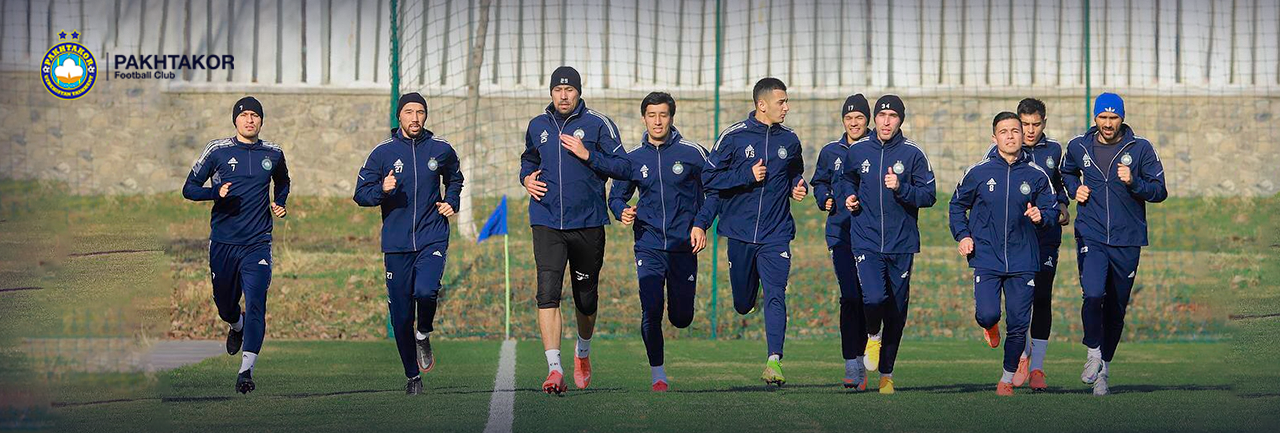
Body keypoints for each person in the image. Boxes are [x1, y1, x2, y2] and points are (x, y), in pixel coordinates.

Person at [519, 66, 630, 394]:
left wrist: (588, 154)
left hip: (588, 223)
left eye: (569, 90)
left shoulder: (599, 124)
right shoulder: (537, 125)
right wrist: (525, 178)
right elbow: (528, 159)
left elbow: (624, 167)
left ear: (579, 92)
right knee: (547, 292)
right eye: (558, 90)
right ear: (551, 92)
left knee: (586, 298)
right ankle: (554, 369)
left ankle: (582, 351)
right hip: (546, 221)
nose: (563, 95)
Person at [353, 92, 465, 395]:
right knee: (401, 317)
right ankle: (413, 376)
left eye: (420, 112)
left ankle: (424, 333)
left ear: (425, 115)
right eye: (409, 112)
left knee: (426, 291)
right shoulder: (382, 153)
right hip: (397, 244)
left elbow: (455, 179)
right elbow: (360, 194)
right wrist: (382, 190)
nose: (415, 118)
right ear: (399, 116)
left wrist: (451, 201)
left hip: (432, 236)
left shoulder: (441, 149)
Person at [607, 92, 719, 392]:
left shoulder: (693, 153)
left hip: (684, 246)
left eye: (663, 115)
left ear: (671, 117)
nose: (657, 121)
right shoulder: (632, 159)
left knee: (681, 318)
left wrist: (701, 223)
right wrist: (621, 210)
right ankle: (658, 374)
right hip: (649, 244)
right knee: (651, 308)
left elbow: (715, 192)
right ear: (644, 118)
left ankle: (679, 313)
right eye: (652, 115)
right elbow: (616, 196)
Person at [1060, 92, 1167, 396]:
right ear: (1095, 117)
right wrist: (1075, 188)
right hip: (1090, 233)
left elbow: (1160, 191)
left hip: (1127, 238)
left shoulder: (1141, 148)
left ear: (1122, 118)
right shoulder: (1078, 146)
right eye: (1103, 117)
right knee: (1094, 293)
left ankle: (1103, 371)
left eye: (1114, 117)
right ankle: (1093, 354)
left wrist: (1134, 182)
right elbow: (1066, 172)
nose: (1108, 124)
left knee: (1116, 308)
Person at [182, 96, 290, 394]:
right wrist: (215, 192)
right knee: (225, 305)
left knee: (256, 302)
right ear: (235, 120)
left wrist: (279, 201)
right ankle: (235, 325)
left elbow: (283, 181)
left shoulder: (274, 153)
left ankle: (246, 371)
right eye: (244, 115)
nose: (250, 120)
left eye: (255, 115)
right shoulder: (217, 150)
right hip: (223, 243)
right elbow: (189, 189)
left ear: (261, 120)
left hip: (258, 243)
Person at [703, 77, 807, 386]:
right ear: (762, 105)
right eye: (781, 102)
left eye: (786, 101)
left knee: (776, 293)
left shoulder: (790, 140)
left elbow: (795, 172)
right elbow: (709, 178)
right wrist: (746, 175)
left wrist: (797, 185)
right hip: (740, 233)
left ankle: (774, 361)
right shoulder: (733, 137)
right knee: (743, 303)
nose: (786, 107)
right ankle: (747, 296)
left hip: (776, 233)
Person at [949, 111, 1058, 396]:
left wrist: (1042, 216)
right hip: (986, 256)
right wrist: (963, 236)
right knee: (987, 314)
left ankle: (1007, 379)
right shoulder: (978, 173)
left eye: (1015, 131)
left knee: (1019, 324)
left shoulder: (1037, 175)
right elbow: (956, 206)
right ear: (994, 137)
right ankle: (990, 326)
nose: (1010, 136)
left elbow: (1052, 210)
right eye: (1004, 132)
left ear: (1022, 136)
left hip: (1024, 259)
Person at [838, 94, 936, 394]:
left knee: (895, 311)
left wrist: (901, 188)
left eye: (892, 116)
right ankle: (872, 335)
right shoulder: (859, 151)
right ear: (875, 119)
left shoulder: (913, 154)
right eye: (882, 115)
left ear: (900, 120)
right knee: (873, 298)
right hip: (865, 240)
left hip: (901, 244)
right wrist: (849, 196)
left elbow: (929, 195)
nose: (886, 121)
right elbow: (846, 179)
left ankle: (887, 374)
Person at [809, 93, 871, 391]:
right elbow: (819, 182)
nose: (854, 123)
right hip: (840, 234)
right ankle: (852, 362)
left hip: (871, 237)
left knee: (871, 299)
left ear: (867, 120)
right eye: (849, 118)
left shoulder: (877, 150)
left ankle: (869, 354)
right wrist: (824, 198)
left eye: (859, 117)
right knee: (850, 296)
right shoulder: (830, 151)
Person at [1012, 98, 1070, 391]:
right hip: (1017, 237)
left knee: (1042, 297)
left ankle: (1037, 368)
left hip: (1047, 235)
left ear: (1044, 123)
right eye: (1025, 124)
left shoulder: (1054, 150)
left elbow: (1059, 185)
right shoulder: (1005, 149)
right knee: (1019, 301)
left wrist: (1063, 206)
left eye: (1036, 124)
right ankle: (1022, 355)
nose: (1030, 130)